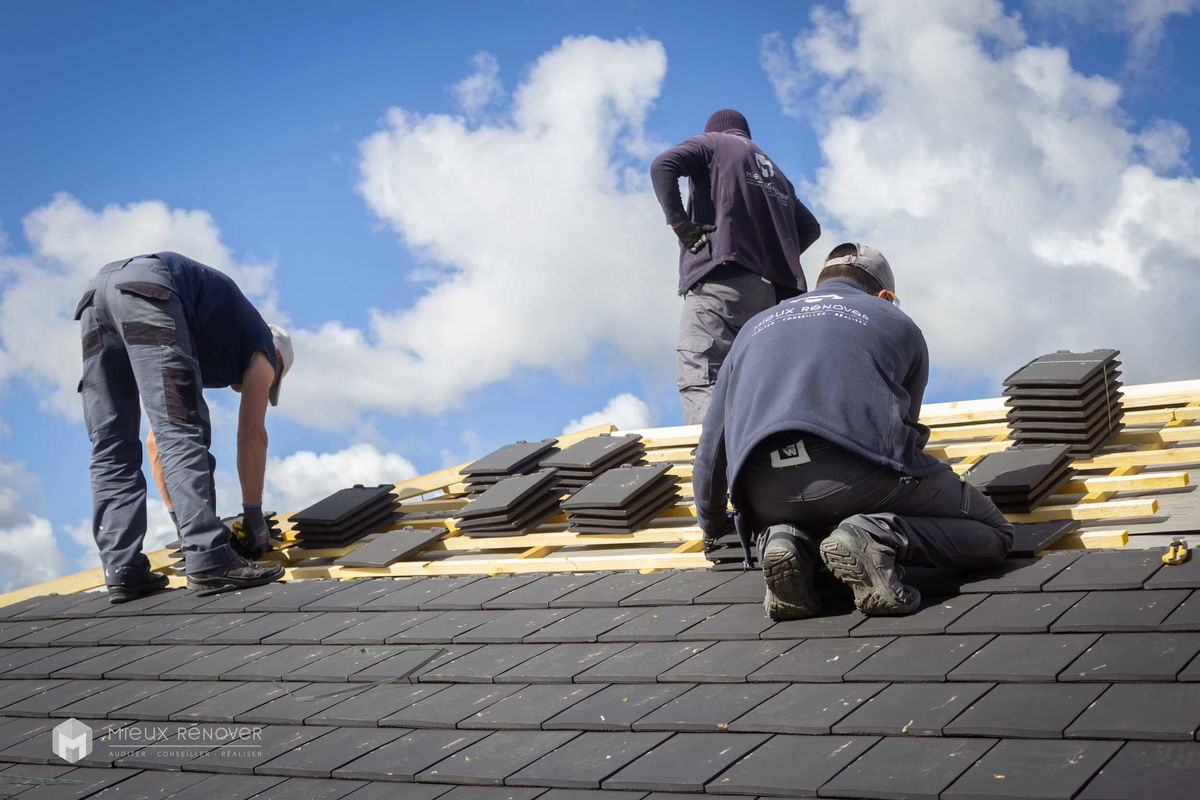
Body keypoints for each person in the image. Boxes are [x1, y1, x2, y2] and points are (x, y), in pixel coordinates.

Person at [692, 243, 1013, 619]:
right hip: (855, 478)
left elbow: (712, 445)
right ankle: (874, 535)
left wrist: (716, 528)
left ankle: (783, 539)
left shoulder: (753, 327)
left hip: (765, 493)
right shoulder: (895, 321)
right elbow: (901, 433)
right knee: (996, 533)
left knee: (799, 520)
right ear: (885, 296)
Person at [76, 251, 291, 601]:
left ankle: (123, 569)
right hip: (149, 289)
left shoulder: (212, 332)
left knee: (111, 445)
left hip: (96, 298)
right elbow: (252, 434)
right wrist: (253, 518)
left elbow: (154, 443)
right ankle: (209, 558)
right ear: (277, 360)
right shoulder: (265, 345)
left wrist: (183, 523)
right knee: (182, 428)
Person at [650, 108, 821, 424]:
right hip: (769, 301)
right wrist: (772, 255)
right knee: (754, 391)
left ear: (714, 129)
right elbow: (810, 228)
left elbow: (663, 165)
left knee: (702, 375)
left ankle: (715, 454)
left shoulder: (713, 143)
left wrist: (680, 224)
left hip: (721, 285)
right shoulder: (775, 174)